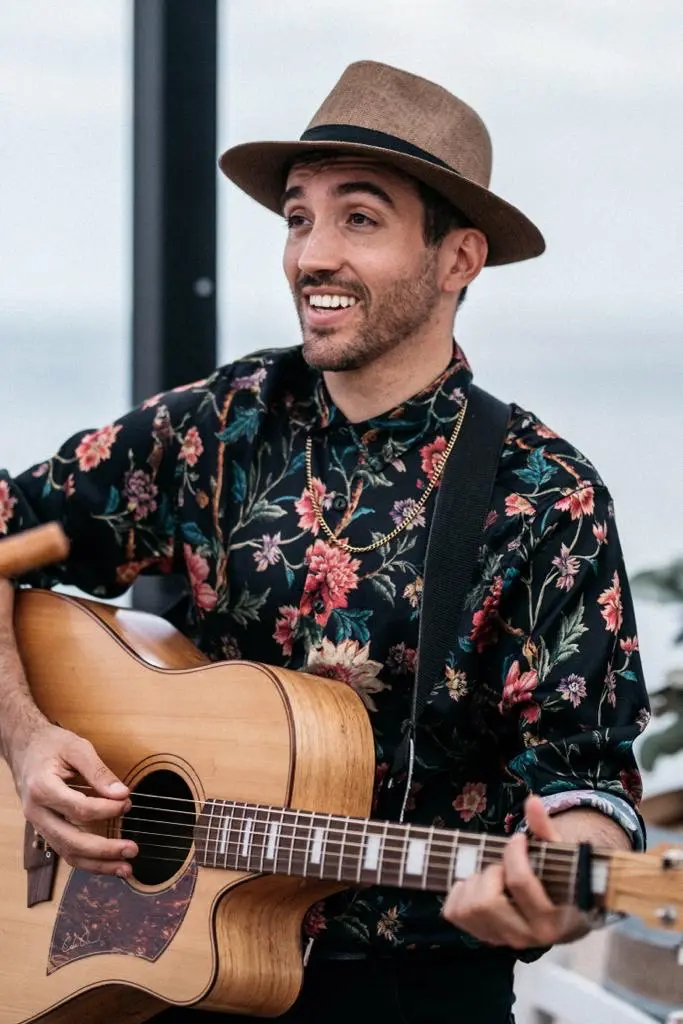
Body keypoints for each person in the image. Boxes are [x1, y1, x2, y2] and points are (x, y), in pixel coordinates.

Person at [0, 61, 649, 1023]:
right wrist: (25, 738)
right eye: (298, 218)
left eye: (359, 218)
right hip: (167, 970)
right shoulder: (219, 426)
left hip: (411, 995)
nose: (312, 255)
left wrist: (565, 884)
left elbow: (589, 780)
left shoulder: (542, 495)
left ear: (458, 259)